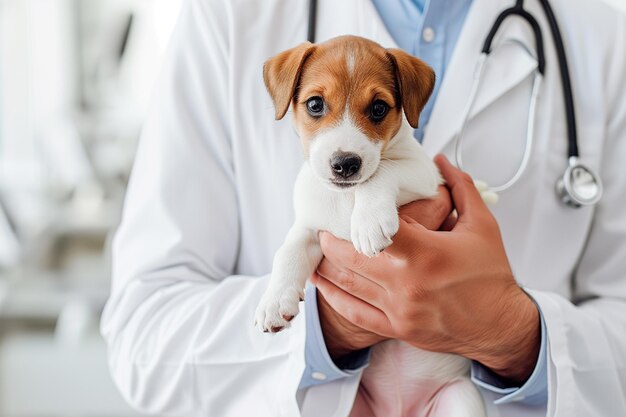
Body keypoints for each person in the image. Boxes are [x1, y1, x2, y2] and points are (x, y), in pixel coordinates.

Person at [100, 0, 626, 416]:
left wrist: (514, 334)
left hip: (453, 392)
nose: (346, 140)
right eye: (316, 106)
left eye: (377, 110)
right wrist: (328, 327)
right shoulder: (229, 15)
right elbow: (143, 332)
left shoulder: (604, 39)